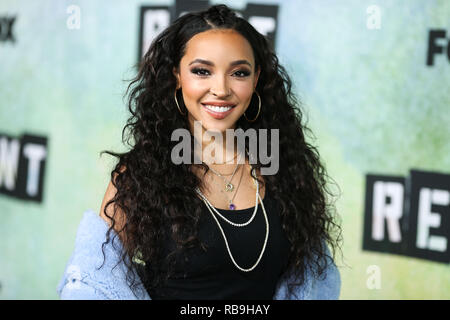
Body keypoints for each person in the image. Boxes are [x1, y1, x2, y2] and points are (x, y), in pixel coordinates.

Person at [57, 4, 342, 300]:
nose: (220, 89)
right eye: (202, 71)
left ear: (256, 79)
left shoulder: (283, 169)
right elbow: (93, 283)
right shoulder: (141, 174)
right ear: (177, 76)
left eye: (239, 73)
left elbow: (312, 281)